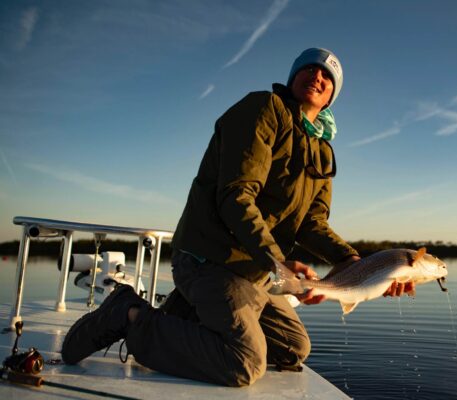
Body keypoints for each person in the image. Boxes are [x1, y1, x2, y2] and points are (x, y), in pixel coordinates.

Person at [61, 48, 414, 387]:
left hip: (256, 269)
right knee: (244, 361)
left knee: (294, 348)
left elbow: (312, 224)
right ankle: (129, 313)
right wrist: (279, 264)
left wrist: (357, 265)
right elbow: (236, 195)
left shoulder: (322, 150)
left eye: (328, 75)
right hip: (211, 258)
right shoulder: (264, 109)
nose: (317, 76)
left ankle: (184, 315)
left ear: (332, 94)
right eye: (309, 68)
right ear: (293, 77)